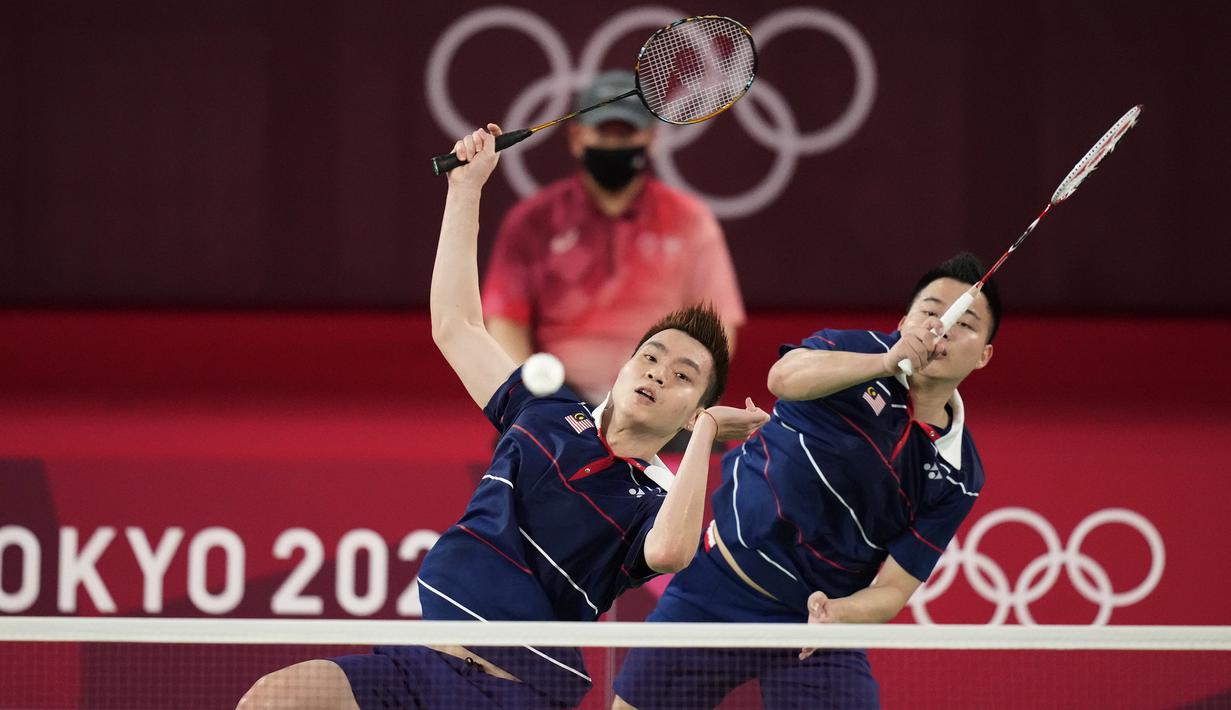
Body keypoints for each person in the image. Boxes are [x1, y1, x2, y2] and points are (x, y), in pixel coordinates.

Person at [237, 125, 769, 710]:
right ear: (622, 368)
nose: (659, 374)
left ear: (692, 413)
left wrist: (710, 434)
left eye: (683, 376)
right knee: (280, 697)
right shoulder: (548, 412)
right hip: (420, 662)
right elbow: (457, 328)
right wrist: (465, 191)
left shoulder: (656, 498)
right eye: (651, 357)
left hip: (511, 694)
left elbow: (670, 553)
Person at [612, 252, 1001, 709]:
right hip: (720, 585)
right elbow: (784, 377)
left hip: (816, 626)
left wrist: (838, 613)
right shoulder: (851, 350)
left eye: (965, 323)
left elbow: (895, 589)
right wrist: (883, 363)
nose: (942, 327)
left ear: (984, 356)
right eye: (931, 311)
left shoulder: (960, 473)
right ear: (905, 320)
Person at [482, 70, 746, 408]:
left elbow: (718, 330)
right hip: (556, 401)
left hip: (659, 402)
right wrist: (533, 395)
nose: (615, 145)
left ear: (650, 138)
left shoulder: (691, 220)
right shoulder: (531, 221)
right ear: (576, 138)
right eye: (604, 133)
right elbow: (505, 323)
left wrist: (680, 391)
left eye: (627, 134)